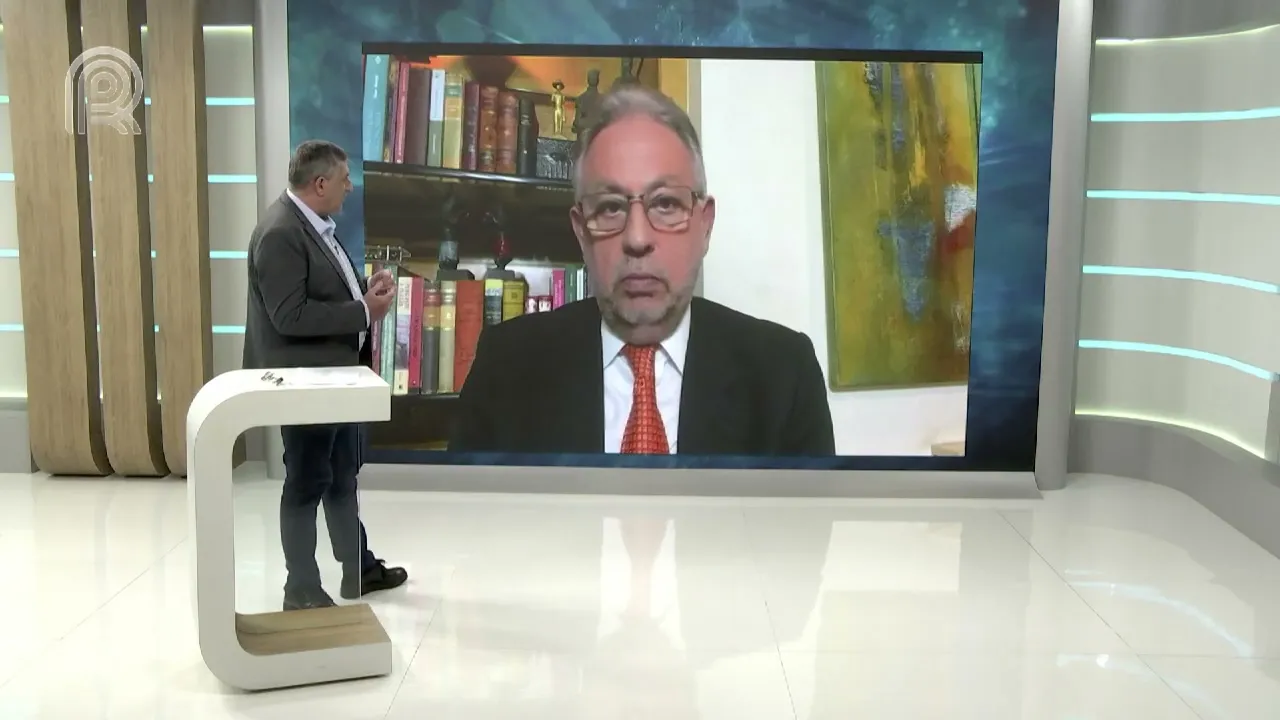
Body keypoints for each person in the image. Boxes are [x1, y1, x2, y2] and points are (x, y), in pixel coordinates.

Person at [450, 85, 835, 456]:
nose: (637, 238)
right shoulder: (506, 366)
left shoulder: (785, 375)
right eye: (610, 207)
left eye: (665, 204)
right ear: (581, 232)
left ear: (705, 226)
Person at [243, 140, 409, 610]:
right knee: (307, 481)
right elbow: (289, 316)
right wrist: (363, 311)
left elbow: (321, 292)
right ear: (320, 184)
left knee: (340, 478)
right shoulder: (280, 233)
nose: (349, 187)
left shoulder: (314, 226)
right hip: (304, 386)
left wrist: (364, 290)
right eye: (343, 179)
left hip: (333, 383)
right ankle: (300, 588)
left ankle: (359, 569)